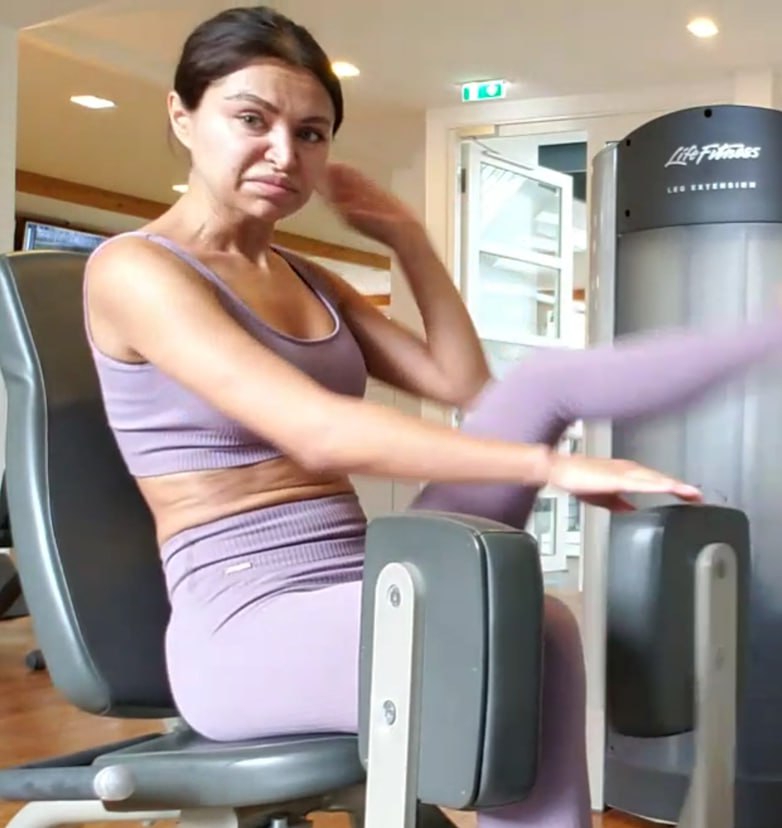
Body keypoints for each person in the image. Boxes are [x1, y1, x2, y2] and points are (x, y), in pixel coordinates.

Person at [82, 6, 782, 827]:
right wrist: (553, 468)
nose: (284, 153)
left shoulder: (304, 276)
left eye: (310, 134)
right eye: (252, 120)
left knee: (541, 385)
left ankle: (768, 335)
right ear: (183, 114)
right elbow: (315, 430)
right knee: (531, 628)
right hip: (246, 627)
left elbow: (466, 386)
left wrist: (408, 240)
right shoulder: (134, 270)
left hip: (371, 575)